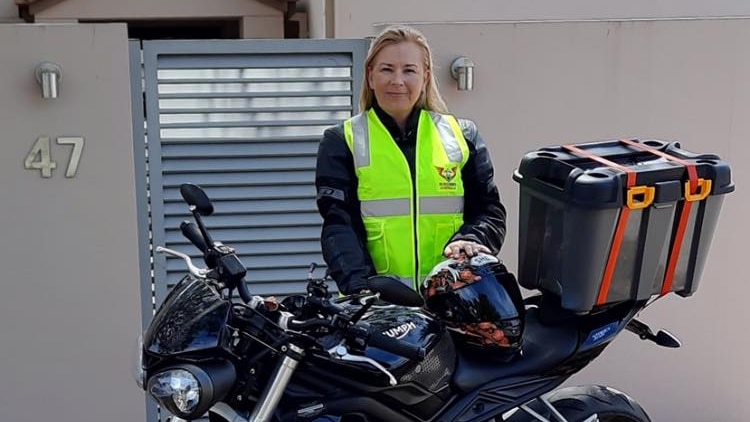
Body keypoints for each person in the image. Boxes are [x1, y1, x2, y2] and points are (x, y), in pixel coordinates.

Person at [315, 25, 506, 295]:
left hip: (454, 301)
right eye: (386, 69)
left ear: (426, 76)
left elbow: (489, 211)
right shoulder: (341, 140)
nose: (397, 80)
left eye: (409, 70)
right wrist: (361, 291)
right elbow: (338, 225)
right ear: (370, 76)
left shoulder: (462, 135)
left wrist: (472, 238)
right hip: (381, 306)